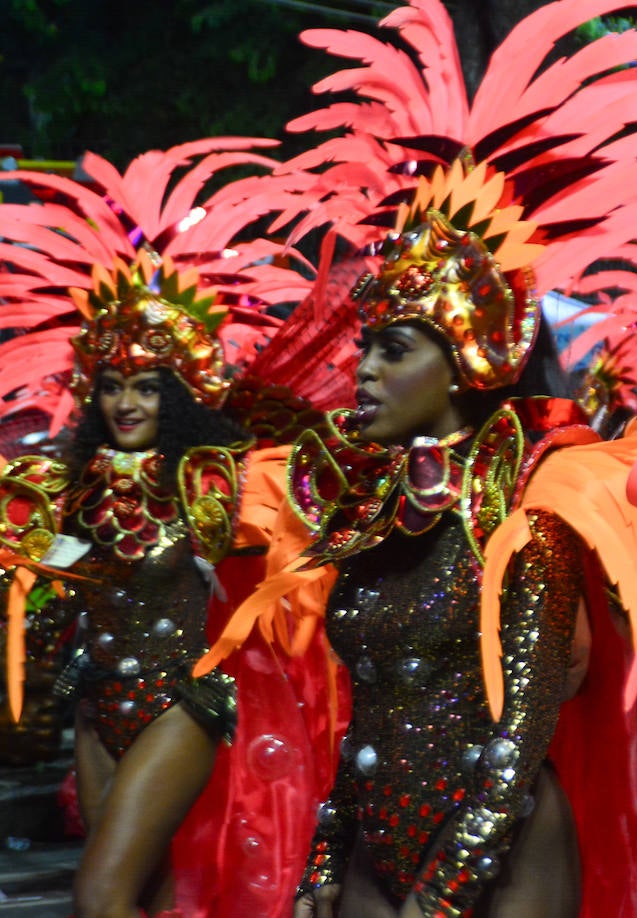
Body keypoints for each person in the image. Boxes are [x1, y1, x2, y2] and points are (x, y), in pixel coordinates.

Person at [201, 2, 637, 915]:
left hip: (505, 853)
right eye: (366, 345)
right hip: (374, 846)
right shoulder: (362, 503)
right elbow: (362, 710)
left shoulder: (530, 503)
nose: (361, 369)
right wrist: (328, 859)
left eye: (393, 350)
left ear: (465, 366)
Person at [0, 141, 333, 918]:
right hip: (96, 705)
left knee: (99, 894)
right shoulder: (67, 489)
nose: (125, 404)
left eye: (145, 389)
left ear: (176, 397)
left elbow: (286, 558)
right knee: (143, 895)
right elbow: (50, 606)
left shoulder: (210, 482)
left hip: (182, 704)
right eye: (111, 387)